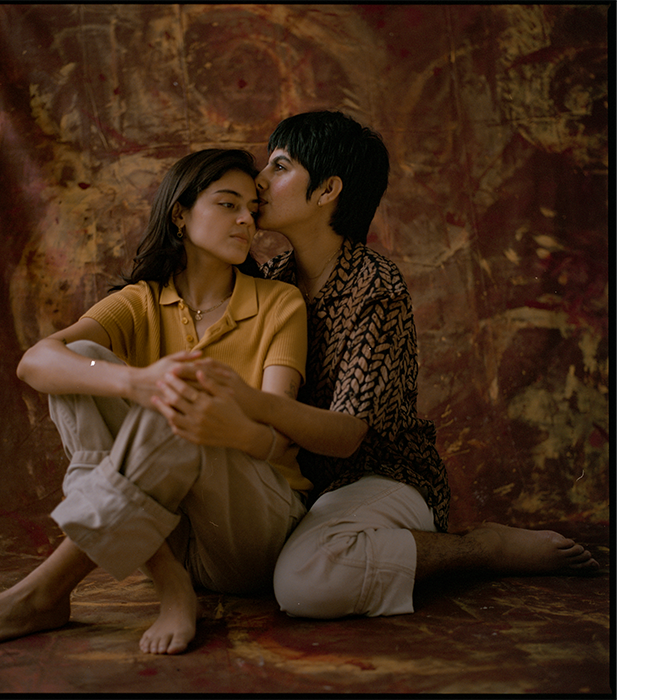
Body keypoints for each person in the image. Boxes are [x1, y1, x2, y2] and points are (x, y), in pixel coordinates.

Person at [156, 112, 599, 620]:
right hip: (295, 482)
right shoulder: (271, 279)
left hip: (378, 475)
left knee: (304, 584)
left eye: (279, 167)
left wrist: (251, 402)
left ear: (327, 191)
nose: (258, 182)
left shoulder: (376, 288)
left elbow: (348, 437)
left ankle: (478, 548)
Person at [0, 149, 312, 654]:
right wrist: (136, 383)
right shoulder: (140, 302)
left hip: (250, 533)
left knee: (178, 393)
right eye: (227, 204)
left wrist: (189, 405)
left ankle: (45, 590)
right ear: (180, 213)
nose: (247, 219)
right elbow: (36, 362)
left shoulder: (279, 302)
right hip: (163, 533)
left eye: (251, 209)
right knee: (84, 360)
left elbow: (278, 435)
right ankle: (169, 580)